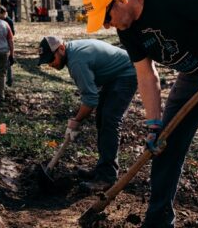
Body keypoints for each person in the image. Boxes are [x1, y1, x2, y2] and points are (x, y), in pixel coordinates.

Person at [83, 0, 198, 227]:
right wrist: (154, 125)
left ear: (120, 0)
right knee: (165, 144)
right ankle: (158, 221)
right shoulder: (127, 29)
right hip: (195, 73)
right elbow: (146, 74)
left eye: (106, 19)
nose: (108, 26)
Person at [37, 36, 137, 191]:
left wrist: (76, 120)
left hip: (127, 73)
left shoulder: (77, 61)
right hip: (115, 76)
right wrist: (77, 120)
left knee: (109, 121)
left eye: (52, 59)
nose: (51, 64)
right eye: (47, 61)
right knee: (101, 118)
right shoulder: (73, 53)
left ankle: (106, 177)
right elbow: (91, 96)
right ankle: (102, 169)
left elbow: (90, 100)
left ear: (61, 49)